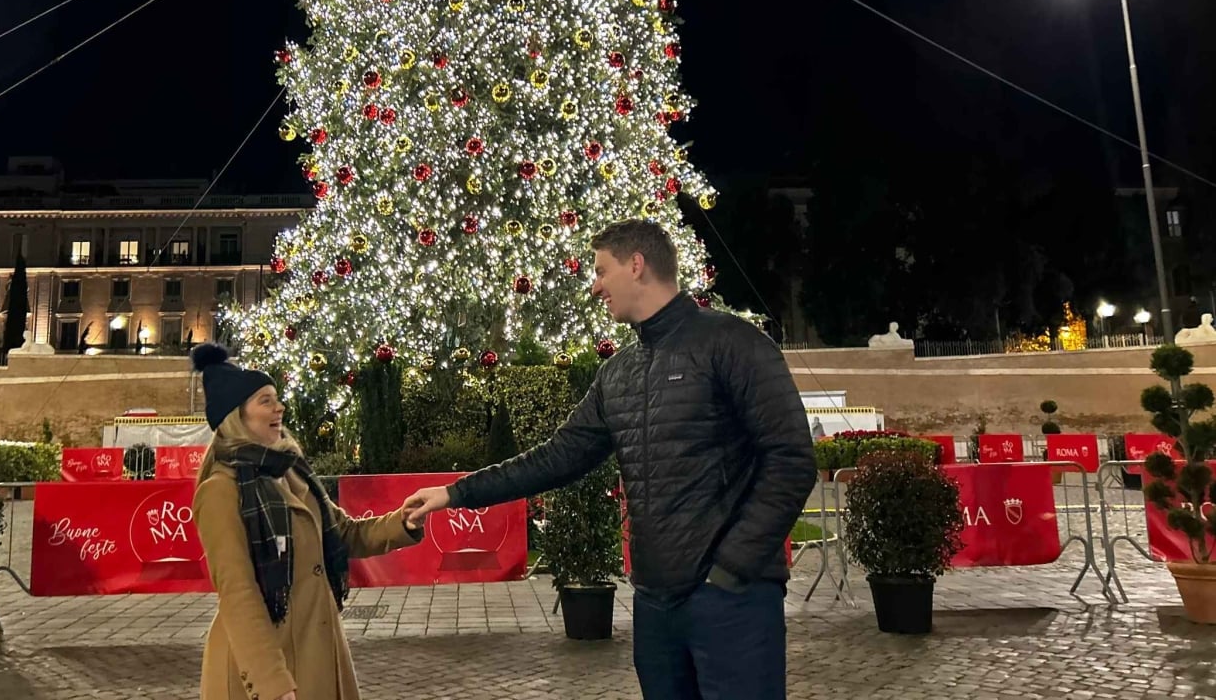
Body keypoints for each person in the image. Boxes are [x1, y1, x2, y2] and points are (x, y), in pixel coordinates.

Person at [405, 219, 815, 700]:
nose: (595, 285)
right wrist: (456, 492)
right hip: (656, 607)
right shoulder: (617, 373)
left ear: (636, 265)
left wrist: (731, 568)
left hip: (733, 602)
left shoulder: (733, 343)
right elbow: (559, 457)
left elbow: (791, 460)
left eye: (601, 270)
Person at [191, 343, 423, 700]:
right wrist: (272, 682)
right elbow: (238, 593)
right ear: (237, 416)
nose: (279, 406)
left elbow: (343, 533)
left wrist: (402, 521)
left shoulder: (292, 473)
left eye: (277, 398)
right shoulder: (221, 491)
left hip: (317, 653)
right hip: (269, 667)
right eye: (265, 400)